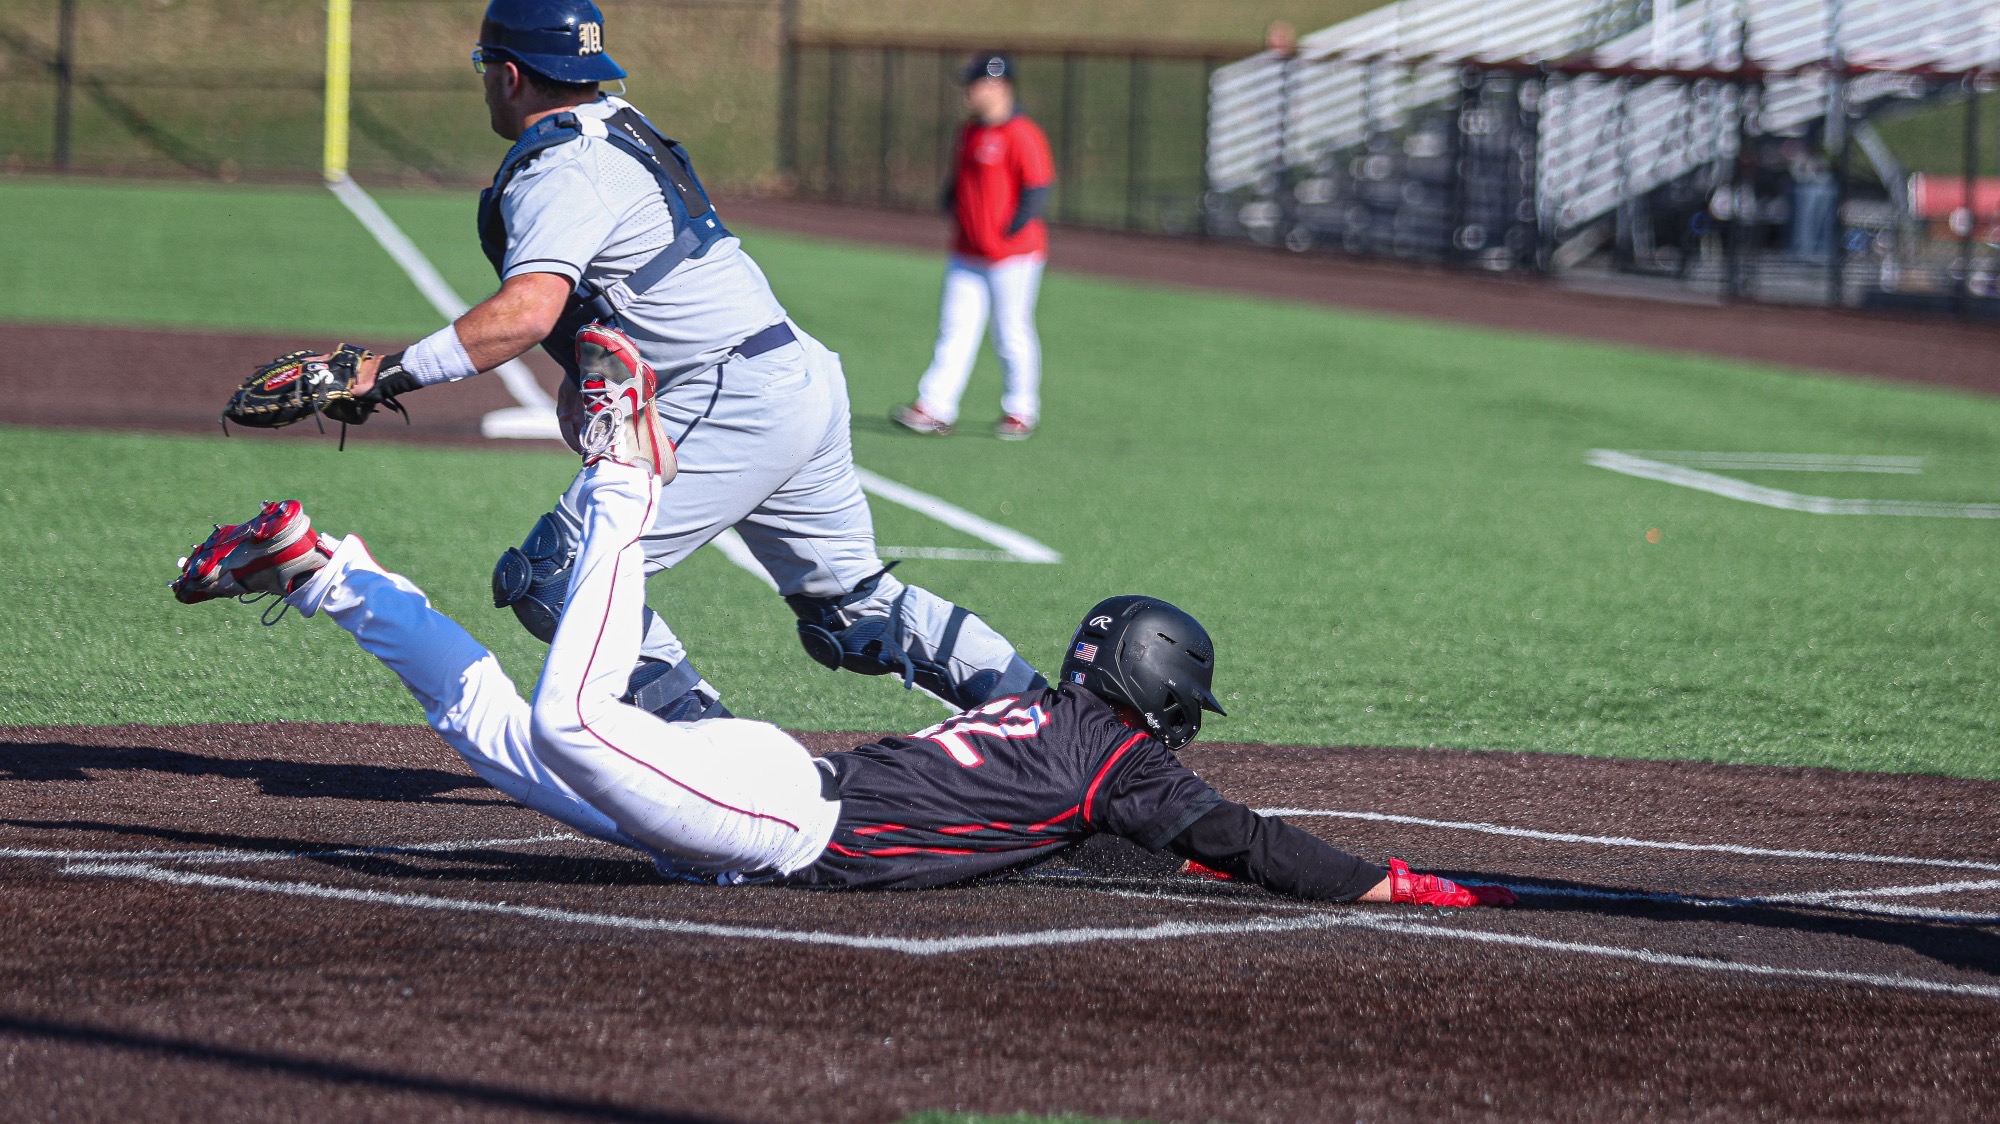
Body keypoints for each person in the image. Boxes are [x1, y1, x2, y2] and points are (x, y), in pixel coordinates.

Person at [168, 357, 1515, 908]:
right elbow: (1236, 835)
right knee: (566, 720)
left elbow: (1158, 834)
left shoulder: (1053, 713)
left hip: (763, 795)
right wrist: (1376, 880)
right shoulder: (1120, 759)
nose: (1175, 738)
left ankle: (322, 570)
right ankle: (627, 469)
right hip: (779, 814)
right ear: (1161, 692)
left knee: (501, 727)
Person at [318, 0, 1045, 724]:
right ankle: (1048, 714)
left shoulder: (563, 165)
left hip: (732, 394)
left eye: (485, 68)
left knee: (558, 577)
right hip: (791, 375)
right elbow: (628, 275)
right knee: (853, 610)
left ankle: (725, 770)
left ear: (510, 76)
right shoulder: (616, 125)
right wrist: (579, 368)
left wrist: (384, 372)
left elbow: (527, 310)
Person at [893, 52, 1055, 442]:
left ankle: (1020, 409)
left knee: (1010, 332)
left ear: (998, 85)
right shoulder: (969, 131)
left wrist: (1005, 232)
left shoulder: (1021, 133)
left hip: (1012, 258)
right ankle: (935, 406)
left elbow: (1036, 190)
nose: (968, 92)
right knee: (954, 330)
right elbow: (959, 181)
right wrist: (954, 207)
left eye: (975, 84)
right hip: (966, 253)